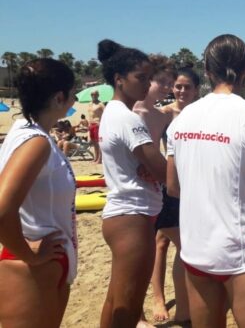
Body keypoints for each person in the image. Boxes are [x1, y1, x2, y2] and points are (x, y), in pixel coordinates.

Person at [167, 34, 245, 327]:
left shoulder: (182, 118)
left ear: (207, 70)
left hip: (195, 250)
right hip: (239, 250)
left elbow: (173, 187)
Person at [0, 58, 78, 327]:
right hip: (32, 266)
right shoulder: (36, 142)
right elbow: (2, 208)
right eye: (72, 93)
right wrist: (29, 254)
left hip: (46, 261)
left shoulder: (28, 131)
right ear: (59, 97)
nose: (74, 100)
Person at [97, 39, 167, 328]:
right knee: (128, 306)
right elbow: (161, 169)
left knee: (115, 300)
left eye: (149, 77)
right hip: (133, 216)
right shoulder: (129, 118)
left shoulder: (111, 113)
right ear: (119, 79)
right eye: (141, 77)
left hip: (122, 212)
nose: (147, 84)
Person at [149, 65, 200, 324]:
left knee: (184, 241)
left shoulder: (200, 112)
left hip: (193, 182)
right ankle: (158, 297)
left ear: (196, 90)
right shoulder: (165, 114)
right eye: (177, 86)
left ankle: (185, 297)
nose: (181, 91)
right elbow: (151, 148)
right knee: (161, 242)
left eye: (186, 87)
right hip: (170, 183)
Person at [87, 89, 105, 164]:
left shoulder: (100, 104)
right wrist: (88, 124)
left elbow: (106, 113)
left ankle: (100, 159)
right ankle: (96, 157)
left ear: (98, 95)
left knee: (98, 142)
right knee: (94, 142)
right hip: (91, 124)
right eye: (92, 94)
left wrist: (101, 122)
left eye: (95, 94)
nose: (93, 96)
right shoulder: (89, 104)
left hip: (97, 124)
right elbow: (90, 115)